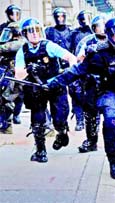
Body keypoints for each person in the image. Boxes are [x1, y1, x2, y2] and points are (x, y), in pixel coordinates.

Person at [46, 17, 115, 179]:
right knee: (111, 120)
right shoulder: (98, 53)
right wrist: (55, 81)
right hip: (109, 93)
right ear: (109, 35)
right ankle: (114, 160)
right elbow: (77, 71)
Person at [14, 18, 77, 163]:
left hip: (55, 86)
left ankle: (61, 133)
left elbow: (70, 57)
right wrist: (29, 70)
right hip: (37, 90)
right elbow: (18, 74)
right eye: (31, 31)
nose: (35, 34)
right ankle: (40, 151)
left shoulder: (49, 46)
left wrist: (70, 71)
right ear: (25, 34)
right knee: (38, 120)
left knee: (59, 119)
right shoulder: (22, 51)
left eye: (37, 30)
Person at [75, 15, 115, 154]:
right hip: (91, 82)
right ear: (94, 28)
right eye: (98, 26)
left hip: (109, 84)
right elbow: (79, 59)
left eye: (103, 26)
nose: (101, 29)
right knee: (90, 114)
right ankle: (91, 141)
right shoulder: (88, 41)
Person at [67, 10, 93, 131]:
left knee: (89, 96)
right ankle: (79, 120)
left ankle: (91, 123)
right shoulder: (74, 33)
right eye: (82, 19)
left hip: (92, 67)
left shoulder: (94, 33)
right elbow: (69, 49)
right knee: (75, 95)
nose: (85, 21)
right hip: (77, 66)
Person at [0, 22, 24, 134]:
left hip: (17, 77)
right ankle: (7, 125)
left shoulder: (19, 43)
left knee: (7, 100)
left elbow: (4, 47)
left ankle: (7, 125)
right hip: (14, 76)